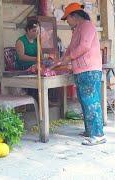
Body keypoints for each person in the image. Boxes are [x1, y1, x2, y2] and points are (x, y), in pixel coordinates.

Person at [59, 2, 106, 145]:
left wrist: (68, 58)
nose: (67, 22)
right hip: (81, 71)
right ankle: (90, 131)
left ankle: (98, 135)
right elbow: (70, 49)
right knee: (84, 101)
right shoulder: (76, 29)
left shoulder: (87, 26)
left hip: (89, 70)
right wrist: (61, 60)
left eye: (67, 18)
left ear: (74, 16)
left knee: (91, 101)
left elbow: (84, 46)